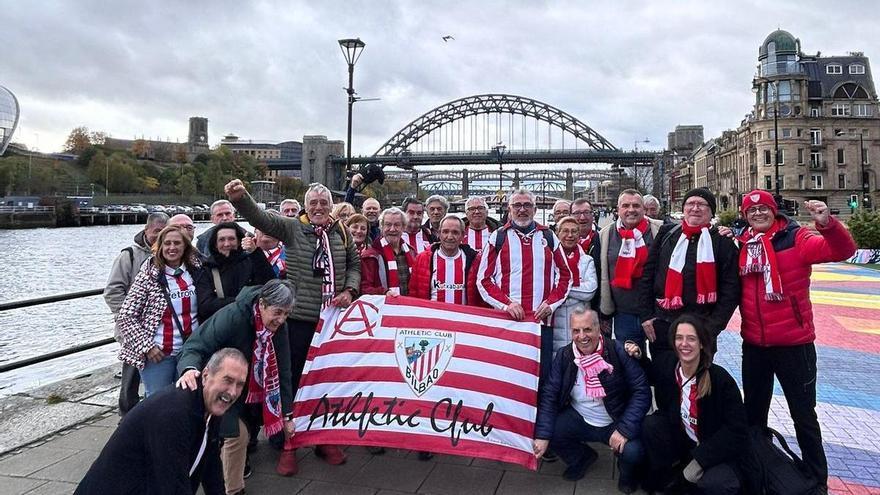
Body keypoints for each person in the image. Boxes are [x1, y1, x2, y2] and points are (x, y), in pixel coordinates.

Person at [225, 179, 359, 466]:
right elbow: (261, 219)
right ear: (306, 207)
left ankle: (324, 441)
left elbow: (354, 265)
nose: (320, 207)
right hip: (298, 320)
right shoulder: (292, 227)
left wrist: (349, 290)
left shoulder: (341, 232)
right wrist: (241, 198)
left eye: (324, 203)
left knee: (329, 383)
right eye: (314, 203)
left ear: (332, 207)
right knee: (292, 382)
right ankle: (289, 444)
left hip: (332, 322)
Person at [735, 190, 856, 490]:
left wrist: (827, 224)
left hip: (794, 344)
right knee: (754, 416)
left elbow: (841, 250)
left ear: (774, 211)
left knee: (803, 417)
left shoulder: (796, 238)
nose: (758, 214)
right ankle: (759, 473)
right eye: (752, 211)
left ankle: (817, 480)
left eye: (764, 209)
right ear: (745, 215)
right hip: (755, 345)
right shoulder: (742, 244)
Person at [177, 280, 296, 494]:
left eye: (286, 314)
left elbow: (284, 369)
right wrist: (188, 369)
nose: (281, 319)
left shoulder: (280, 328)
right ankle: (233, 490)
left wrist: (286, 414)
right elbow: (197, 344)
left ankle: (225, 482)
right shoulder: (233, 317)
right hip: (222, 385)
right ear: (262, 304)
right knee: (236, 435)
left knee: (239, 437)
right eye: (278, 312)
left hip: (249, 388)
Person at [75, 348, 248, 495]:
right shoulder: (175, 413)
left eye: (240, 384)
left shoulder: (211, 404)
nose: (232, 392)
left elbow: (210, 465)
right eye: (227, 380)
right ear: (205, 375)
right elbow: (172, 485)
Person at [638, 188, 740, 406]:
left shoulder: (722, 243)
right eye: (690, 203)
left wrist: (711, 329)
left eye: (702, 204)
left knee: (698, 391)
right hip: (663, 326)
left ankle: (693, 433)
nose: (695, 208)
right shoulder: (667, 235)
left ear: (711, 212)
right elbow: (648, 275)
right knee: (665, 386)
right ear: (683, 209)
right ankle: (667, 431)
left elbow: (731, 292)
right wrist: (646, 315)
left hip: (701, 329)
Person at [629, 315, 747, 494]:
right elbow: (652, 374)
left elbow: (737, 430)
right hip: (685, 441)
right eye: (679, 338)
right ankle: (668, 475)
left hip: (714, 448)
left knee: (717, 484)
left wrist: (700, 459)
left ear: (701, 343)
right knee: (651, 425)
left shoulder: (720, 380)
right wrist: (638, 355)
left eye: (691, 338)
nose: (684, 344)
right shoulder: (669, 364)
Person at [534, 307, 648, 492]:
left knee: (634, 452)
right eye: (576, 331)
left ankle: (627, 475)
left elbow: (641, 391)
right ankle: (582, 458)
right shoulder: (564, 355)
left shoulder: (617, 350)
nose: (582, 336)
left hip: (615, 420)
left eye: (587, 329)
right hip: (580, 418)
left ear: (599, 329)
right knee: (550, 430)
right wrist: (542, 436)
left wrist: (624, 429)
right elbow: (550, 395)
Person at [476, 188, 572, 386]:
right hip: (508, 322)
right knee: (508, 375)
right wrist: (507, 305)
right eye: (517, 205)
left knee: (542, 376)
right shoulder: (498, 237)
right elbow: (483, 280)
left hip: (540, 322)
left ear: (535, 209)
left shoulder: (549, 236)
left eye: (527, 205)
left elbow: (565, 276)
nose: (522, 210)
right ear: (509, 209)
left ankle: (540, 416)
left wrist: (551, 304)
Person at [117, 225, 204, 397]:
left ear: (186, 246)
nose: (172, 248)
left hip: (189, 351)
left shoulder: (197, 271)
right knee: (157, 401)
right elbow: (126, 316)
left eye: (177, 243)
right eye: (167, 243)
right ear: (160, 247)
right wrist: (147, 347)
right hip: (159, 354)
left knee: (188, 399)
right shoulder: (149, 274)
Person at [104, 212, 169, 416]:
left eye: (163, 232)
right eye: (156, 232)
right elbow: (113, 291)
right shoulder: (129, 255)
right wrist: (130, 316)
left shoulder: (170, 253)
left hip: (160, 329)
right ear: (146, 229)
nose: (158, 237)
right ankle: (126, 418)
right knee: (130, 377)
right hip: (133, 329)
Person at [598, 190, 663, 354]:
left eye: (636, 205)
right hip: (624, 314)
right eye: (625, 205)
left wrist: (721, 232)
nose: (631, 210)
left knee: (662, 364)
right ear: (618, 210)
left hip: (658, 312)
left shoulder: (661, 230)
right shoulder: (605, 234)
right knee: (631, 364)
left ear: (643, 209)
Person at [197, 222, 276, 321]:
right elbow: (205, 306)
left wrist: (255, 253)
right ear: (215, 244)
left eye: (231, 239)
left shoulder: (251, 261)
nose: (227, 244)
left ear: (239, 241)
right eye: (222, 240)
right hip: (221, 324)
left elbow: (270, 285)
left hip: (249, 323)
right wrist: (244, 301)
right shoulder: (207, 268)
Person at [551, 217, 598, 357]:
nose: (570, 235)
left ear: (579, 235)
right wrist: (575, 290)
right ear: (557, 233)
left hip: (580, 325)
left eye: (574, 231)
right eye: (565, 231)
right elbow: (548, 288)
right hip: (555, 326)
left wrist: (562, 288)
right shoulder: (549, 259)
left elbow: (589, 291)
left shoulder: (586, 260)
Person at [410, 214, 479, 304]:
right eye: (445, 232)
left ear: (462, 235)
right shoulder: (422, 259)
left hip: (462, 316)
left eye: (455, 232)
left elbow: (480, 298)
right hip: (433, 316)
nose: (450, 237)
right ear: (439, 233)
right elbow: (413, 293)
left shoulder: (474, 260)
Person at [360, 207, 416, 296]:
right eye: (388, 225)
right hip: (384, 307)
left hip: (409, 306)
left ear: (403, 227)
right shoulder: (371, 256)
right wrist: (384, 292)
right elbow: (364, 288)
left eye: (397, 225)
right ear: (381, 227)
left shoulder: (412, 252)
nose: (392, 229)